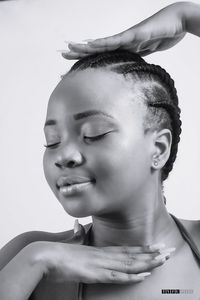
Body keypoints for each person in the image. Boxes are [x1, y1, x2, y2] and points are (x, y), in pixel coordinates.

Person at [0, 1, 200, 300]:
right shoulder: (27, 257)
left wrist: (187, 15)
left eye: (94, 134)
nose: (64, 155)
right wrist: (34, 263)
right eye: (52, 140)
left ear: (158, 148)